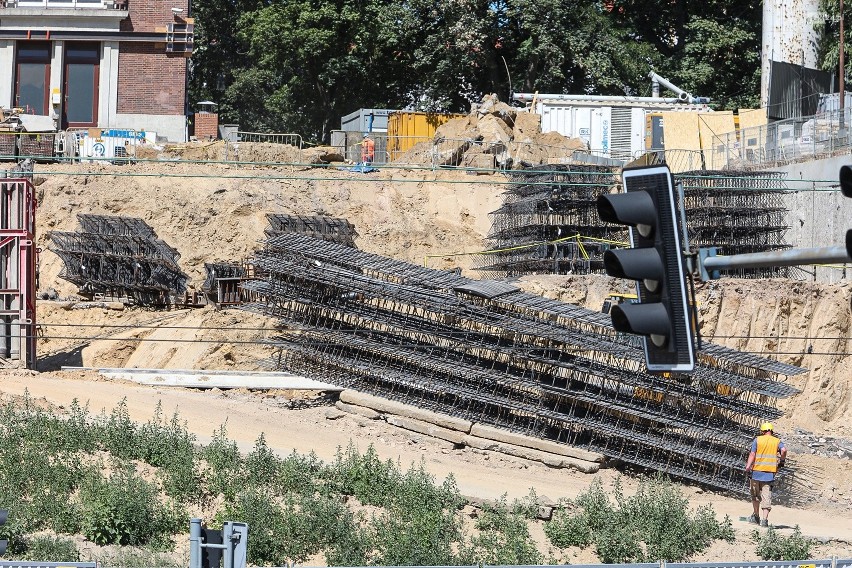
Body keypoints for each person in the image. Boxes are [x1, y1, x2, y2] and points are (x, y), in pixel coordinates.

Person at [745, 421, 787, 527]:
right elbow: (784, 450)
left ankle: (756, 516)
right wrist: (781, 461)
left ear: (762, 431)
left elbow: (752, 454)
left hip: (756, 473)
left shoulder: (758, 440)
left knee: (755, 496)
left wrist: (748, 466)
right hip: (769, 474)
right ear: (771, 431)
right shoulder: (777, 441)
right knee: (766, 497)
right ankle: (764, 521)